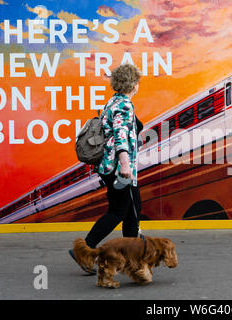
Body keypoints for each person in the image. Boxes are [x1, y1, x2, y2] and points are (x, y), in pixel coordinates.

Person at [69, 64, 144, 275]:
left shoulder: (114, 100)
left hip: (109, 167)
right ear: (133, 84)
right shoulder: (124, 106)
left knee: (131, 211)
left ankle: (132, 261)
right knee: (121, 211)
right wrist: (125, 164)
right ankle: (84, 250)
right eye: (137, 82)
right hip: (118, 167)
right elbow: (120, 135)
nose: (139, 85)